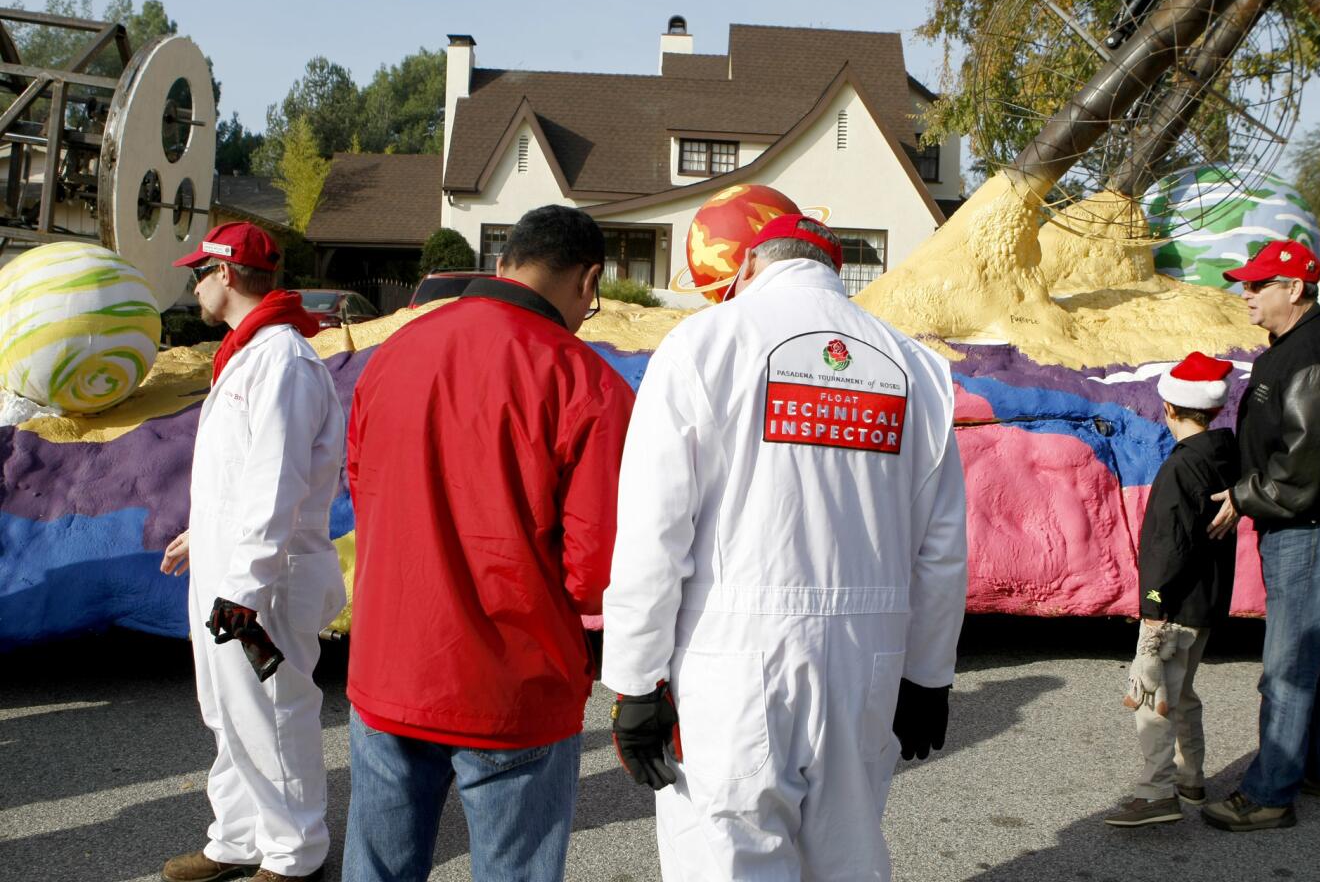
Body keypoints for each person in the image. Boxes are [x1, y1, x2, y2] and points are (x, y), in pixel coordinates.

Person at [602, 214, 969, 881]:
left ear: (746, 269)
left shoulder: (704, 344)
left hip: (731, 659)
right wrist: (927, 674)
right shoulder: (916, 369)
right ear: (835, 271)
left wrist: (634, 679)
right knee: (847, 857)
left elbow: (656, 531)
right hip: (868, 659)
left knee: (727, 857)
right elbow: (940, 550)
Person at [342, 205, 634, 882]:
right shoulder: (586, 382)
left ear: (503, 262)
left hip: (390, 665)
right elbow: (597, 568)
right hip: (513, 685)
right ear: (588, 282)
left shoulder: (394, 355)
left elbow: (363, 490)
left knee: (378, 869)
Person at [159, 221, 348, 882]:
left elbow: (276, 481)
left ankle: (295, 854)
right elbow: (242, 475)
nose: (197, 286)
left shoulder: (281, 362)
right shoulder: (251, 355)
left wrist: (242, 590)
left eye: (201, 273)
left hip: (261, 585)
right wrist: (201, 533)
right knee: (228, 708)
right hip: (235, 573)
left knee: (271, 708)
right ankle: (238, 838)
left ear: (229, 274)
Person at [1202, 240, 1320, 832]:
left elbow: (1307, 465)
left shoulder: (1315, 358)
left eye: (1259, 285)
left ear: (1296, 289)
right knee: (1314, 651)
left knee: (1287, 666)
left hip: (1310, 526)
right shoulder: (1294, 348)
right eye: (1246, 283)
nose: (1246, 294)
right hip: (1303, 523)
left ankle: (1268, 795)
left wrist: (1242, 495)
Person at [1104, 352, 1238, 828]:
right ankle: (1191, 776)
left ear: (1169, 408)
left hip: (1173, 605)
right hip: (1205, 602)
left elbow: (1169, 543)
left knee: (1151, 694)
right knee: (1182, 692)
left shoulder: (1182, 467)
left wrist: (1153, 605)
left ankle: (1157, 791)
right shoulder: (1226, 455)